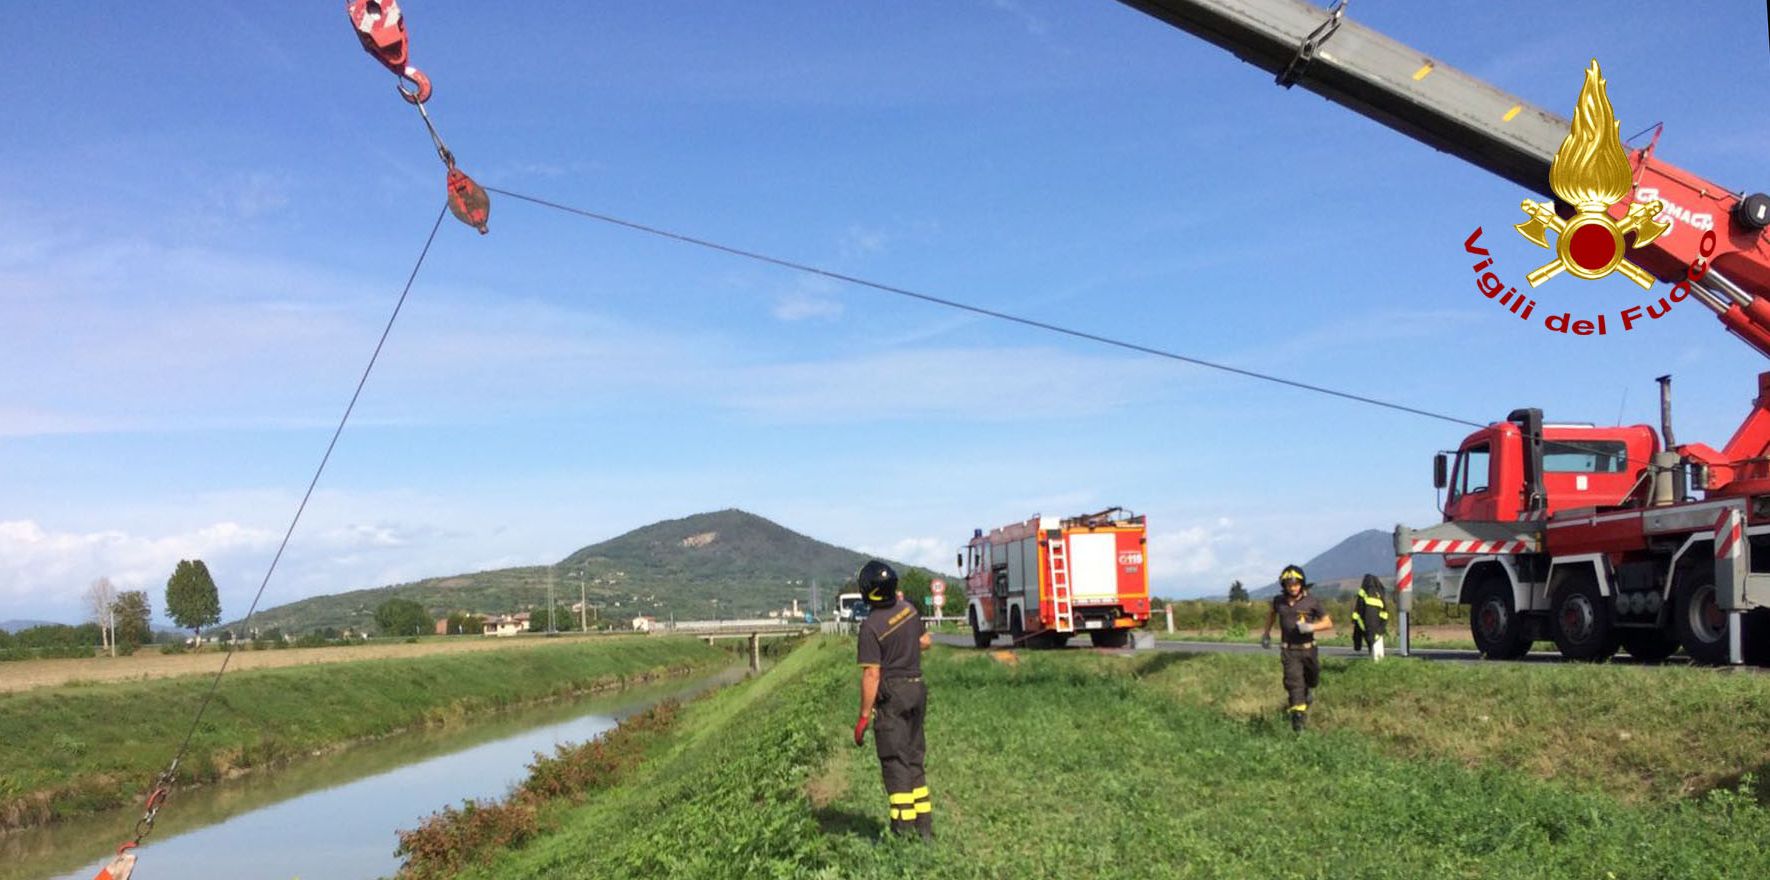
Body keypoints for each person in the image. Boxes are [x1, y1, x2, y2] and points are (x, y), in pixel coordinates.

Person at [852, 560, 935, 839]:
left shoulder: (871, 627)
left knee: (894, 760)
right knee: (913, 756)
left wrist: (864, 716)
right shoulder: (909, 610)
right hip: (917, 689)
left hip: (893, 696)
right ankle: (924, 827)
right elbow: (926, 642)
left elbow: (872, 675)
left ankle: (902, 831)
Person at [1260, 564, 1333, 731]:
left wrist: (1311, 627)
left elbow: (1328, 623)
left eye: (1296, 584)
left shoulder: (1312, 601)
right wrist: (1266, 634)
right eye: (1289, 585)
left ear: (1301, 584)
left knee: (1312, 679)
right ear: (1284, 586)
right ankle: (1298, 722)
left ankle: (1306, 694)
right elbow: (1271, 614)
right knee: (1294, 684)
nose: (1293, 588)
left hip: (1309, 650)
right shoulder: (1279, 601)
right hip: (1289, 650)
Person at [1351, 573, 1390, 661]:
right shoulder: (1380, 594)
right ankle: (1378, 662)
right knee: (1377, 650)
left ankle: (1360, 647)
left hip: (1366, 624)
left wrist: (1355, 618)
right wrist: (1381, 627)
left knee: (1368, 641)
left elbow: (1358, 610)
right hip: (1378, 626)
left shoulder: (1363, 593)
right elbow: (1385, 612)